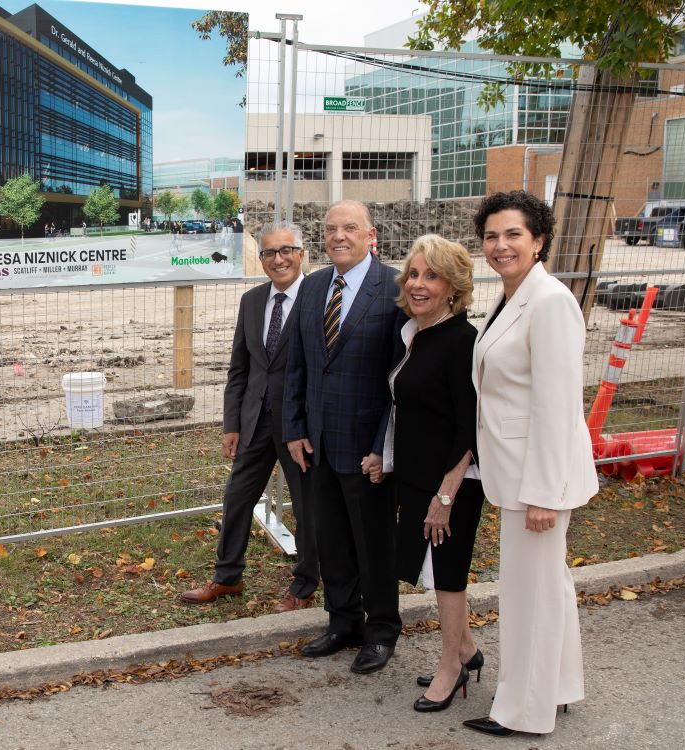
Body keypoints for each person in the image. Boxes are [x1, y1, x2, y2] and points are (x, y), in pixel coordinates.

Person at [462, 190, 598, 738]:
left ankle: (523, 712)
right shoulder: (511, 296)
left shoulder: (549, 301)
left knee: (528, 598)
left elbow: (557, 405)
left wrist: (545, 491)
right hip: (516, 472)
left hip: (536, 481)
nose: (501, 245)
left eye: (513, 234)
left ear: (539, 240)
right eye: (492, 236)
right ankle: (559, 688)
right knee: (549, 588)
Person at [282, 200, 405, 674]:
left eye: (349, 228)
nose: (339, 236)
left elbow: (399, 378)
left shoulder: (394, 287)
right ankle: (342, 622)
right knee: (330, 537)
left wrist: (383, 446)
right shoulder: (312, 287)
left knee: (374, 542)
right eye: (331, 228)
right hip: (317, 444)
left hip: (367, 447)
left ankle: (381, 630)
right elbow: (297, 364)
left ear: (370, 234)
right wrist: (294, 429)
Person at [179, 221, 319, 612]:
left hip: (300, 428)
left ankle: (305, 585)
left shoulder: (319, 297)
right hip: (255, 421)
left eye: (286, 250)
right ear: (261, 259)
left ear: (301, 253)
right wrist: (232, 424)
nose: (278, 260)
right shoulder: (253, 301)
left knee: (306, 507)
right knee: (237, 497)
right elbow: (239, 368)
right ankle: (227, 578)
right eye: (269, 253)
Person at [371, 235, 484, 712]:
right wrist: (384, 455)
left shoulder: (462, 340)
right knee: (429, 568)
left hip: (452, 481)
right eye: (413, 274)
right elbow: (407, 408)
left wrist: (446, 494)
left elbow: (469, 424)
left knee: (447, 574)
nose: (418, 284)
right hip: (417, 474)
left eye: (431, 276)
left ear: (453, 287)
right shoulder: (412, 333)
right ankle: (467, 649)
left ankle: (450, 666)